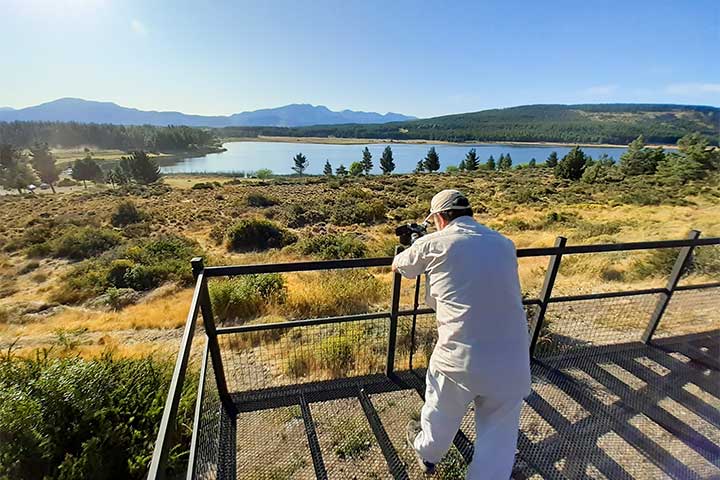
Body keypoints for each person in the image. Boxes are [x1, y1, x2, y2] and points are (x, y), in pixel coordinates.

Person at [392, 189, 531, 479]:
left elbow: (400, 265)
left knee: (440, 412)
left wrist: (418, 243)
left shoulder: (434, 242)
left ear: (440, 217)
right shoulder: (505, 244)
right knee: (499, 439)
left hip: (459, 357)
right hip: (514, 360)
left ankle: (428, 455)